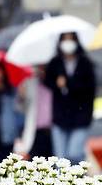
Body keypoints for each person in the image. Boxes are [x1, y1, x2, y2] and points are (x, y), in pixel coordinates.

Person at [43, 32, 96, 162]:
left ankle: (76, 179)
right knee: (60, 159)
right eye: (65, 39)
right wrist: (57, 84)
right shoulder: (55, 63)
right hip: (60, 117)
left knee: (74, 153)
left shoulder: (85, 63)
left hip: (80, 116)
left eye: (71, 39)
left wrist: (69, 83)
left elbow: (89, 88)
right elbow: (47, 82)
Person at [15, 65, 54, 158]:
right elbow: (21, 108)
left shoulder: (55, 82)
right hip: (36, 132)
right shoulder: (30, 82)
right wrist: (21, 96)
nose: (41, 70)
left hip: (54, 131)